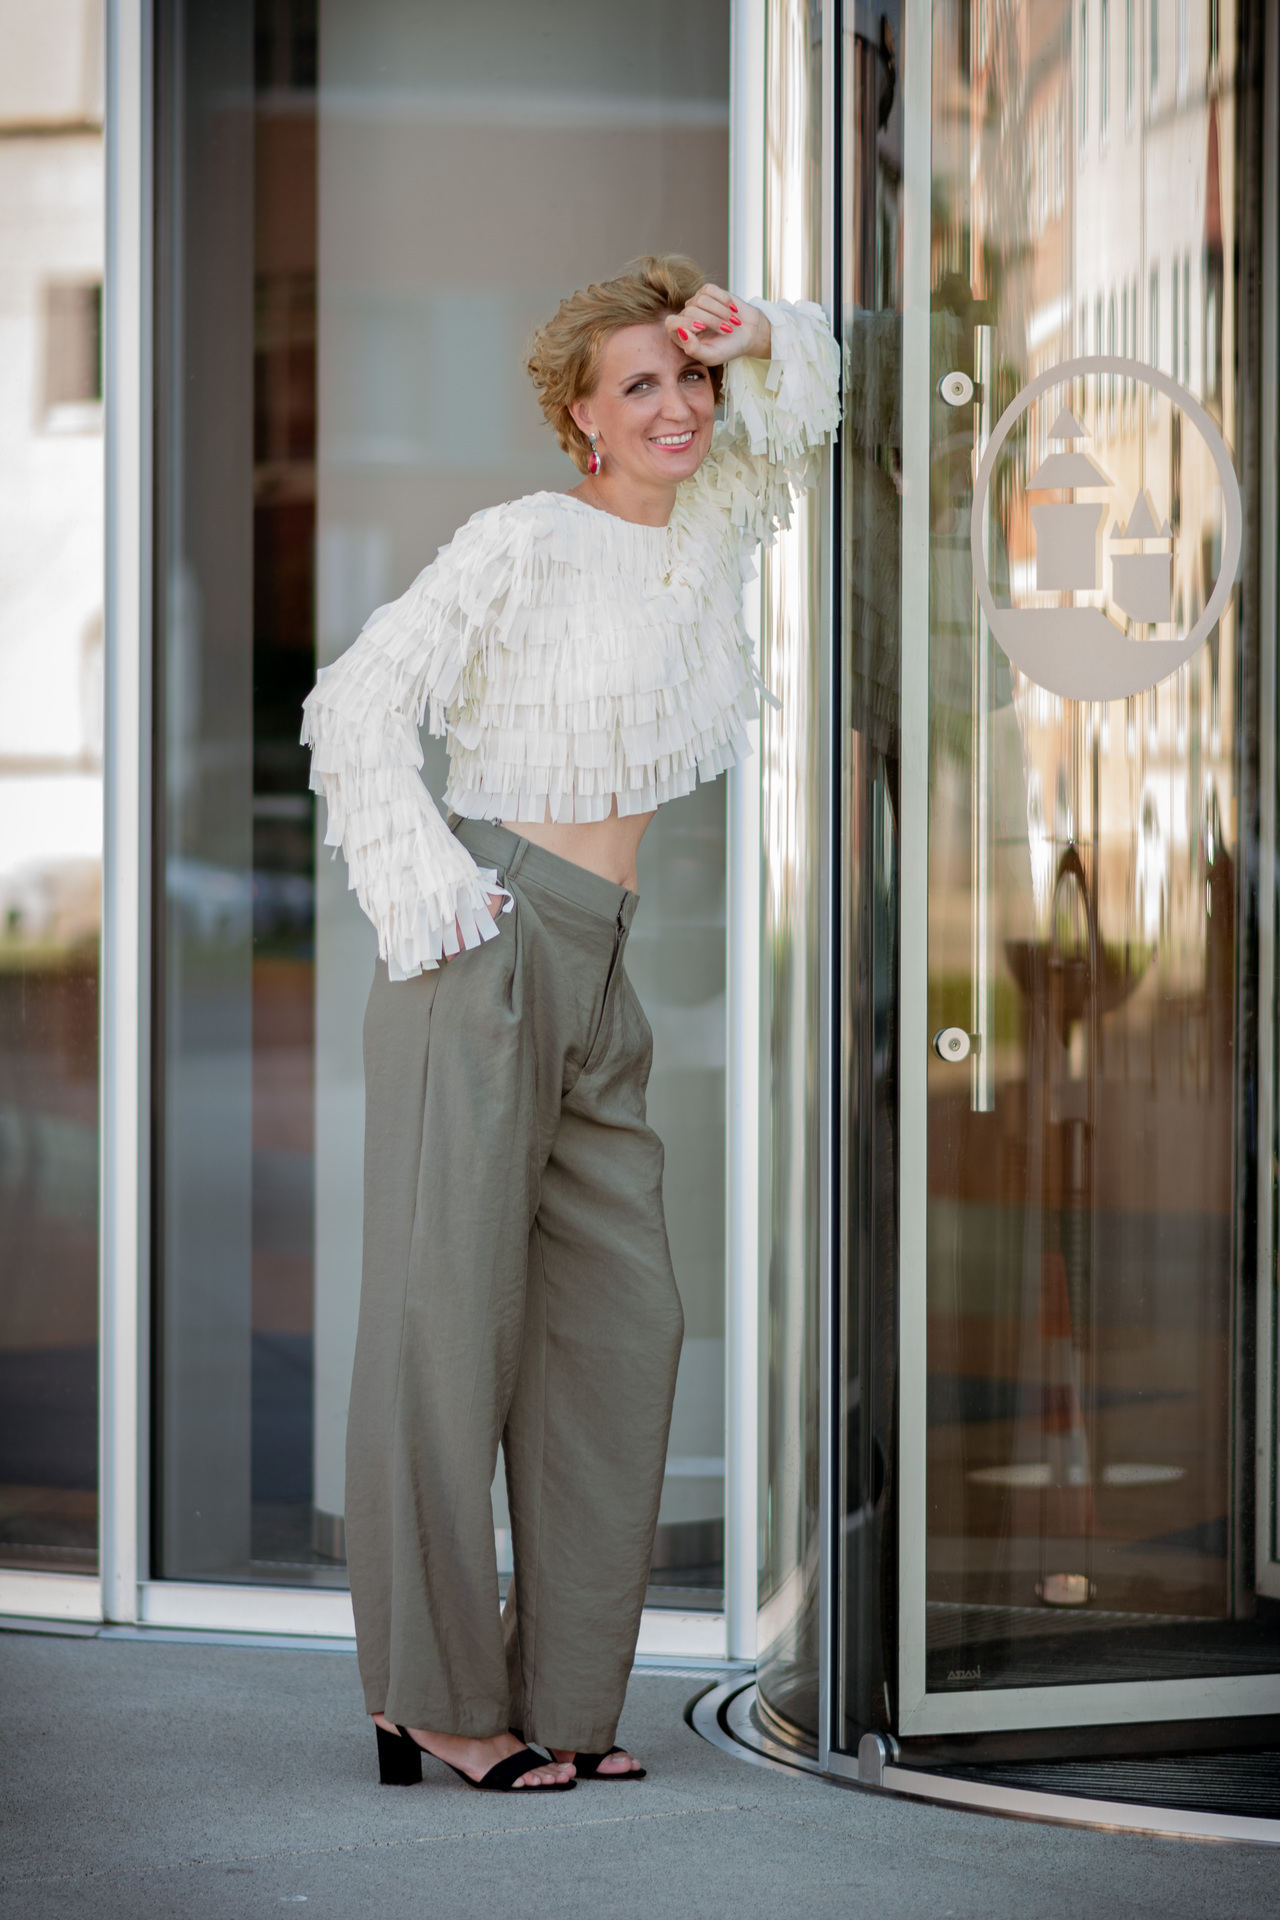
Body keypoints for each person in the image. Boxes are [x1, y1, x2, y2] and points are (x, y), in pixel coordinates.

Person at [302, 255, 839, 1793]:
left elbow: (810, 400)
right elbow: (353, 703)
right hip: (490, 938)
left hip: (599, 957)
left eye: (691, 379)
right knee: (445, 1332)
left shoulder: (702, 529)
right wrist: (433, 892)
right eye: (640, 385)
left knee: (623, 1320)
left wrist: (753, 328)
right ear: (581, 420)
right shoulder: (524, 540)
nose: (679, 406)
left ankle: (562, 1694)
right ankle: (428, 1696)